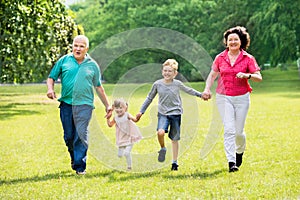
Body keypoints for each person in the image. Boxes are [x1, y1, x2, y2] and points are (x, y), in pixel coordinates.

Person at [46, 35, 111, 175]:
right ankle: (74, 157)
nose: (78, 48)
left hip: (85, 105)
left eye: (81, 46)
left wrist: (107, 105)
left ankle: (80, 166)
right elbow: (51, 77)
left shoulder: (92, 65)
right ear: (72, 46)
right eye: (76, 45)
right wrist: (50, 89)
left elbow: (99, 87)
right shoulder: (64, 61)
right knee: (69, 136)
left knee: (80, 135)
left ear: (86, 48)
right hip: (66, 104)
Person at [201, 26, 262, 172]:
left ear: (241, 41)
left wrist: (247, 75)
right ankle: (231, 162)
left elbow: (259, 78)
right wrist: (207, 89)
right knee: (229, 129)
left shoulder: (248, 58)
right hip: (224, 97)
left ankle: (239, 152)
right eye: (230, 40)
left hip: (242, 98)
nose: (233, 42)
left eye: (236, 39)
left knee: (239, 132)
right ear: (226, 42)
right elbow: (212, 75)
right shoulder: (220, 58)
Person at [136, 59, 203, 171]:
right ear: (162, 71)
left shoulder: (177, 84)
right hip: (163, 114)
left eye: (170, 71)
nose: (167, 73)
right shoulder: (157, 84)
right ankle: (162, 148)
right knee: (160, 132)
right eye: (165, 71)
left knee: (174, 139)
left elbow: (189, 90)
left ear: (175, 73)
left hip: (176, 114)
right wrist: (141, 111)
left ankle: (174, 163)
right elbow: (149, 98)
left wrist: (201, 95)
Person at [106, 98, 143, 171]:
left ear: (125, 108)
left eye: (120, 108)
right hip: (121, 138)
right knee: (119, 155)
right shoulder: (115, 118)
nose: (118, 110)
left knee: (126, 153)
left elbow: (135, 120)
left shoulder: (127, 115)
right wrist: (108, 118)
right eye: (117, 108)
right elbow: (110, 125)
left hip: (129, 137)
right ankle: (125, 162)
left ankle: (129, 167)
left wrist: (138, 117)